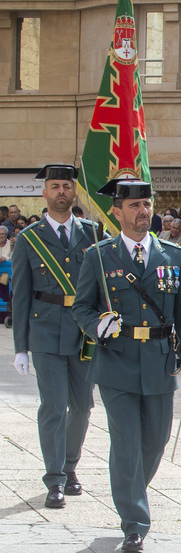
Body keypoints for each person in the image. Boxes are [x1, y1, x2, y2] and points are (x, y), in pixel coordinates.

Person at [72, 178, 181, 553]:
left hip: (160, 361)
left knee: (155, 441)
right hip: (117, 360)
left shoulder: (173, 256)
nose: (143, 211)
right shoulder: (99, 255)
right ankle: (134, 522)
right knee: (126, 442)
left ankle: (131, 492)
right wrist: (97, 325)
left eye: (147, 204)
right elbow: (82, 306)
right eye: (134, 206)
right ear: (117, 212)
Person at [9, 164, 99, 509]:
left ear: (74, 192)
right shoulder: (29, 239)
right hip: (45, 330)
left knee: (82, 406)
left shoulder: (92, 233)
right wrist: (21, 346)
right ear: (44, 193)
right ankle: (55, 479)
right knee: (52, 406)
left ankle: (70, 465)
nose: (61, 191)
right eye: (55, 186)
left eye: (66, 186)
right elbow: (20, 293)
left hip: (83, 332)